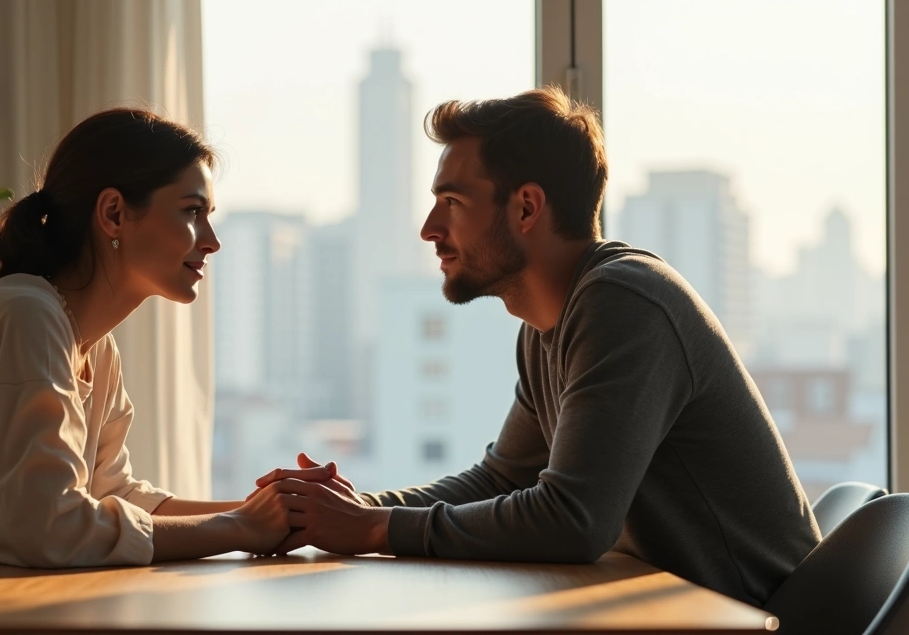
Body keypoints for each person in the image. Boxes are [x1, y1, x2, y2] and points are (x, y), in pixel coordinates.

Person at [254, 86, 820, 607]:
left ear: (526, 207)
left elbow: (573, 521)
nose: (429, 228)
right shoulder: (550, 323)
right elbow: (502, 479)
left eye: (451, 201)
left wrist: (374, 530)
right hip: (667, 609)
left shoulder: (622, 302)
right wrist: (356, 510)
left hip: (746, 618)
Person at [0, 108, 296, 596]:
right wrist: (240, 530)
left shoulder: (91, 345)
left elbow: (111, 496)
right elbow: (50, 526)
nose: (213, 241)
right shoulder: (23, 317)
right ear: (113, 212)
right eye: (191, 211)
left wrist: (257, 512)